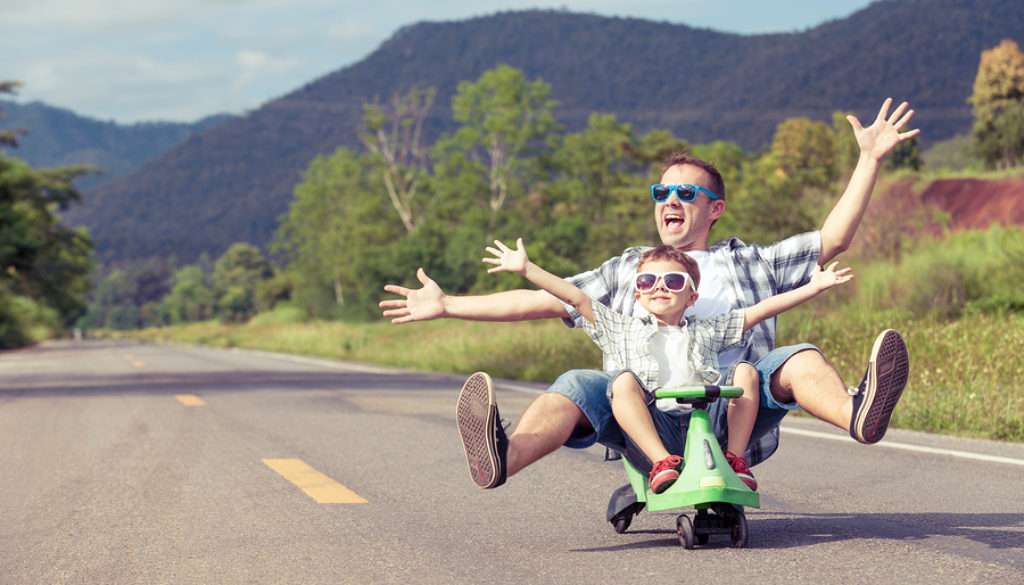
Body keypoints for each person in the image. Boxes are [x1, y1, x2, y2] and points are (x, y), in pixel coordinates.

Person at [381, 98, 916, 490]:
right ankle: (502, 455)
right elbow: (551, 300)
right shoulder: (630, 269)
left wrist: (869, 158)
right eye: (662, 192)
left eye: (687, 192)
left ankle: (858, 415)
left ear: (715, 208)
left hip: (735, 414)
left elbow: (834, 239)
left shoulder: (750, 261)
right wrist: (449, 304)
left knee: (797, 357)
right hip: (646, 417)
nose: (670, 200)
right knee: (576, 383)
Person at [483, 237, 854, 493]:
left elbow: (759, 311)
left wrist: (813, 288)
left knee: (745, 371)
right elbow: (576, 298)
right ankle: (662, 465)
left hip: (708, 426)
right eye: (648, 280)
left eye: (673, 281)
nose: (659, 286)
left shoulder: (708, 331)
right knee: (624, 381)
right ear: (639, 294)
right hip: (653, 431)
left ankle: (736, 461)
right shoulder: (621, 328)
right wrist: (528, 269)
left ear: (691, 296)